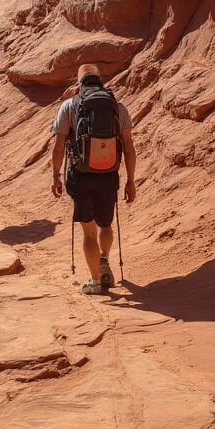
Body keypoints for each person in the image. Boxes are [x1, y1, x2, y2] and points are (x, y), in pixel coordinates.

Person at [50, 64, 137, 295]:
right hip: (108, 174)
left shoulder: (69, 106)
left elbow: (59, 147)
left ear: (79, 84)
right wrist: (131, 180)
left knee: (88, 232)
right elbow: (128, 147)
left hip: (80, 175)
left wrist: (55, 175)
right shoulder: (117, 108)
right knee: (106, 224)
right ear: (100, 81)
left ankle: (96, 281)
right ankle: (104, 259)